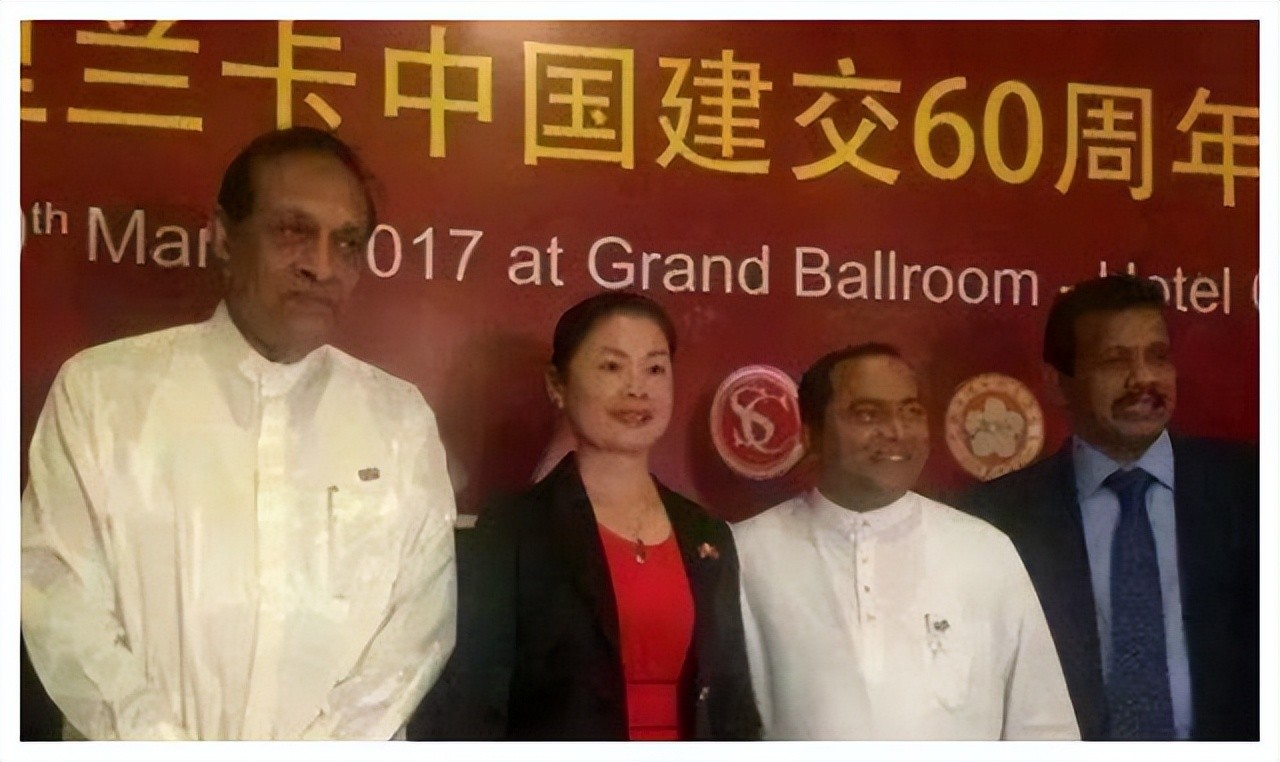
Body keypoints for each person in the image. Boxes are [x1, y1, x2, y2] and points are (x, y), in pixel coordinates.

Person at [20, 127, 457, 740]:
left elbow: (416, 632)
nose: (320, 266)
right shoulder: (102, 393)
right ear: (224, 238)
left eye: (347, 243)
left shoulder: (398, 419)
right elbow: (59, 600)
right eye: (293, 231)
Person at [413, 292, 761, 740]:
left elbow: (732, 702)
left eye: (655, 369)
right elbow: (473, 705)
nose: (637, 388)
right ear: (557, 385)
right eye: (612, 367)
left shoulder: (704, 533)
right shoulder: (515, 530)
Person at [960, 274, 1258, 741]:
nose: (1144, 379)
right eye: (1114, 361)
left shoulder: (1250, 490)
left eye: (1157, 357)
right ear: (1057, 384)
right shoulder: (999, 520)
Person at [733, 343, 1079, 740]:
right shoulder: (748, 554)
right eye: (868, 414)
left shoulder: (985, 551)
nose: (897, 432)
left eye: (911, 412)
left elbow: (1043, 727)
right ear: (811, 434)